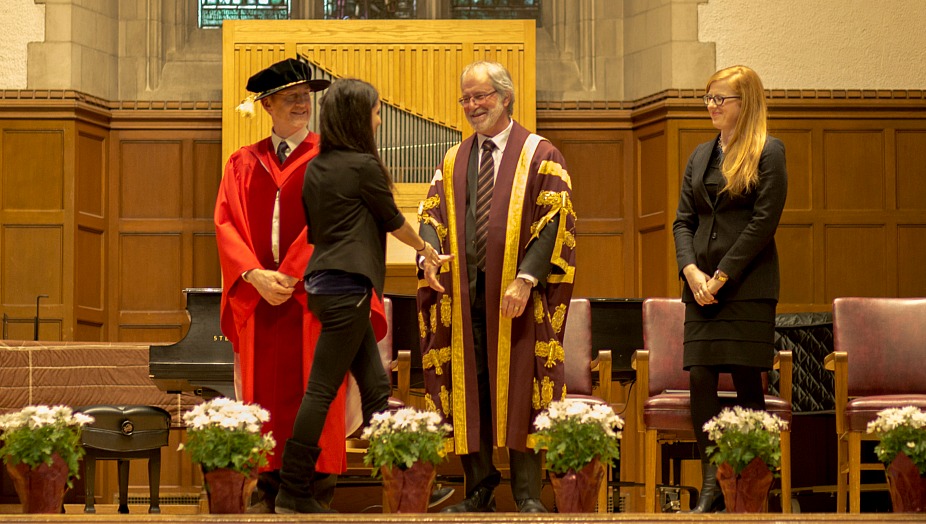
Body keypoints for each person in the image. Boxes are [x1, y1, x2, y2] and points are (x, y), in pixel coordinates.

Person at [215, 58, 383, 512]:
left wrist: (288, 273)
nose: (301, 105)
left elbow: (331, 220)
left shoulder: (328, 158)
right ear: (266, 104)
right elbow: (226, 222)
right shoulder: (242, 162)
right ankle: (270, 487)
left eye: (306, 97)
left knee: (317, 389)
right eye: (290, 97)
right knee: (264, 392)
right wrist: (253, 274)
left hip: (312, 294)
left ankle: (313, 490)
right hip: (262, 297)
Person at [274, 78, 443, 514]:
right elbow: (393, 221)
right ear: (356, 116)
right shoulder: (363, 167)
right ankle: (293, 491)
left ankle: (405, 479)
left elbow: (317, 226)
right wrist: (425, 249)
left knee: (373, 387)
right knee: (321, 390)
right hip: (348, 286)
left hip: (325, 285)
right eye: (375, 110)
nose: (380, 117)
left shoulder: (316, 167)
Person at [416, 61, 577, 513]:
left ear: (505, 96)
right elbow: (431, 215)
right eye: (465, 98)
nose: (472, 105)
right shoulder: (454, 158)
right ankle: (479, 488)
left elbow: (555, 220)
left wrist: (526, 279)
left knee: (524, 384)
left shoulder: (541, 154)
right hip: (465, 295)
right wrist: (427, 254)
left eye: (480, 96)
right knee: (472, 386)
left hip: (516, 298)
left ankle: (527, 494)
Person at [672, 65, 788, 513]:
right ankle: (713, 481)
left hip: (746, 286)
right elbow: (684, 220)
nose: (712, 107)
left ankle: (751, 480)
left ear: (747, 103)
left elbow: (763, 222)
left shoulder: (768, 151)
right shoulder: (700, 155)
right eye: (709, 99)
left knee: (745, 379)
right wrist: (691, 272)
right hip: (700, 288)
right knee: (700, 378)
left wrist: (721, 275)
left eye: (721, 99)